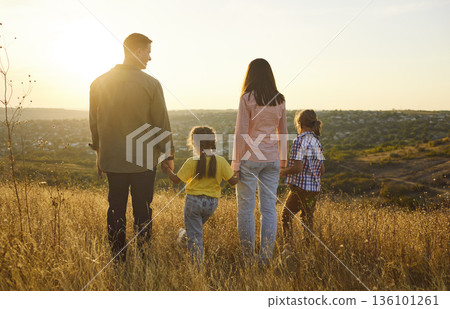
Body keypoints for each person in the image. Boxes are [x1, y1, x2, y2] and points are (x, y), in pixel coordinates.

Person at [89, 33, 174, 261]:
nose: (149, 57)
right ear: (137, 52)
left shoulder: (99, 83)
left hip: (113, 158)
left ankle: (118, 259)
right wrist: (168, 155)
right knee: (143, 210)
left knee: (115, 209)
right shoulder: (151, 84)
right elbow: (161, 123)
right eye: (147, 51)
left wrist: (99, 155)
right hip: (143, 160)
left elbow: (94, 124)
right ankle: (144, 258)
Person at [232, 58, 288, 262]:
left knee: (245, 209)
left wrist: (235, 165)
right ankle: (266, 258)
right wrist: (283, 162)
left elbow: (240, 132)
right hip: (272, 160)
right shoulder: (280, 99)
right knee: (269, 209)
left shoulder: (247, 97)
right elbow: (283, 132)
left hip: (250, 159)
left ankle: (248, 257)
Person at [161, 126, 238, 263]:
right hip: (211, 204)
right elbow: (232, 181)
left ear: (194, 144)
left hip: (193, 203)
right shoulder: (220, 161)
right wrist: (240, 174)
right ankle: (183, 236)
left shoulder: (191, 162)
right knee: (195, 229)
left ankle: (197, 268)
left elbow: (176, 180)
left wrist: (166, 170)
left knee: (195, 235)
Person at [280, 109, 324, 250]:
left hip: (300, 189)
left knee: (286, 217)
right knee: (307, 220)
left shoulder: (299, 141)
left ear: (300, 124)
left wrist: (281, 172)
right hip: (313, 190)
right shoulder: (316, 142)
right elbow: (322, 170)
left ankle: (289, 248)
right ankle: (308, 250)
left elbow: (297, 167)